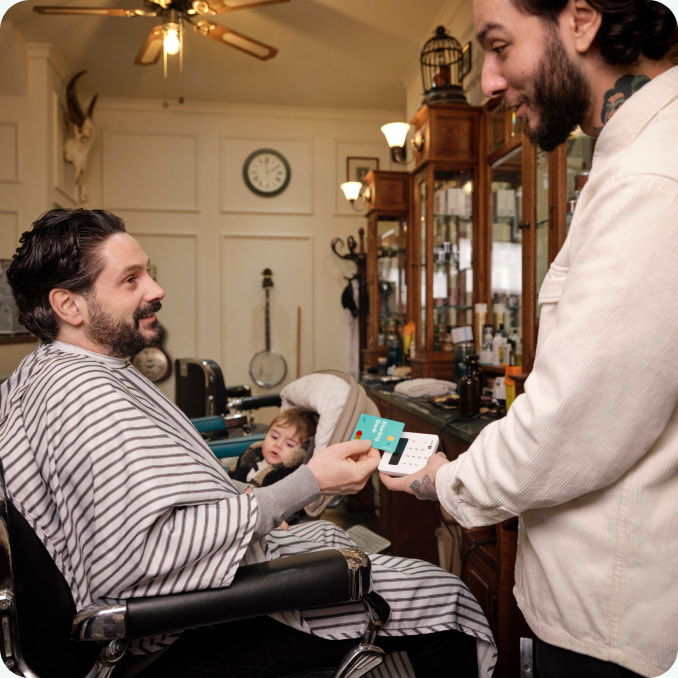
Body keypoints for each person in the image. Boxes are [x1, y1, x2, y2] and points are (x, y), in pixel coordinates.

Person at [0, 208, 495, 678]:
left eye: (147, 272)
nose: (156, 289)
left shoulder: (48, 373)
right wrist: (309, 481)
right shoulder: (85, 397)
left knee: (350, 550)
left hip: (177, 608)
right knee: (444, 598)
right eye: (131, 280)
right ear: (68, 304)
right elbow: (139, 558)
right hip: (179, 636)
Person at [381, 1, 678, 677]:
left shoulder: (651, 176)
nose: (487, 81)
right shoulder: (628, 154)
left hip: (611, 626)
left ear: (579, 20)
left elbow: (574, 418)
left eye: (497, 45)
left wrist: (443, 481)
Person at [229, 407, 318, 488]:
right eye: (274, 437)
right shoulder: (250, 458)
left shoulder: (289, 479)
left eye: (289, 444)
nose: (277, 445)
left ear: (300, 453)